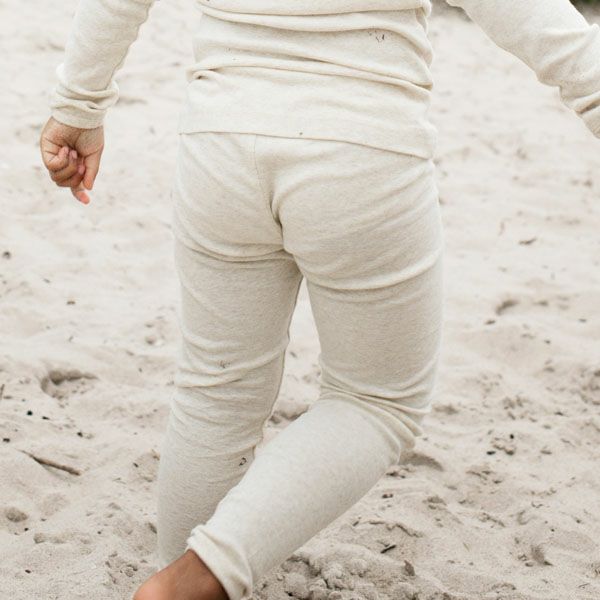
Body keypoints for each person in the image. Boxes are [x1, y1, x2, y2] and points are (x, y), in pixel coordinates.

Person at [39, 1, 600, 599]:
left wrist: (78, 106)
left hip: (219, 140)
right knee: (375, 401)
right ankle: (194, 581)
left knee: (216, 392)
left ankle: (178, 575)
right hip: (360, 149)